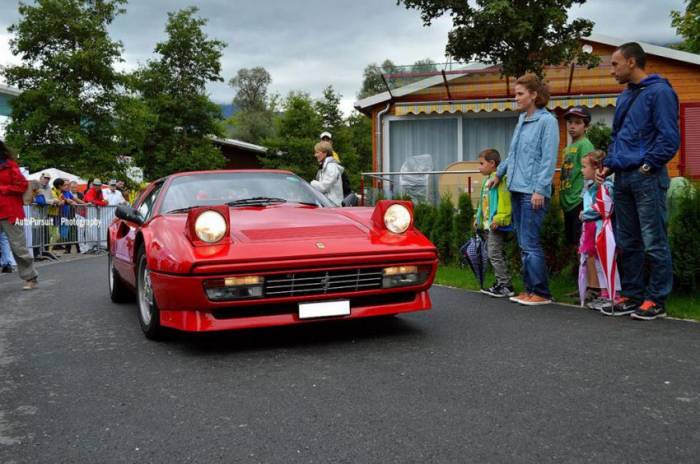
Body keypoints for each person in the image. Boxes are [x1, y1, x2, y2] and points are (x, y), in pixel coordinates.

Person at [595, 42, 680, 320]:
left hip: (647, 178)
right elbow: (618, 138)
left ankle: (656, 300)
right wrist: (608, 166)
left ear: (632, 62)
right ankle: (632, 295)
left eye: (615, 64)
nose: (612, 70)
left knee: (653, 240)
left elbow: (669, 137)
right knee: (627, 240)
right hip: (622, 178)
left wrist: (647, 166)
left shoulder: (660, 92)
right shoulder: (625, 96)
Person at [489, 73, 559, 306]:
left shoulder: (547, 121)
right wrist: (498, 175)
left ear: (533, 95)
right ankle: (529, 290)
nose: (515, 98)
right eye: (515, 94)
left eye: (520, 94)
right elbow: (512, 154)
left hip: (533, 192)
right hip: (517, 189)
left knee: (530, 243)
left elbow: (548, 159)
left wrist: (540, 189)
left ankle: (541, 293)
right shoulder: (521, 120)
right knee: (523, 243)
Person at [578, 150, 621, 310]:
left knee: (608, 262)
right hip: (592, 230)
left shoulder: (607, 185)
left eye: (584, 167)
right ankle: (604, 294)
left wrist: (585, 215)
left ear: (597, 168)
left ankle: (614, 294)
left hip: (604, 230)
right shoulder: (590, 186)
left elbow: (604, 208)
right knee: (597, 263)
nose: (582, 170)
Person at [474, 148, 514, 298]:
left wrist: (499, 218)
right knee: (494, 253)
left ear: (492, 163)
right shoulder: (487, 180)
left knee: (494, 253)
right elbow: (483, 203)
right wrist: (477, 218)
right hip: (487, 225)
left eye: (481, 163)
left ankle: (506, 285)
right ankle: (500, 282)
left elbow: (505, 201)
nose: (479, 167)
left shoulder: (500, 180)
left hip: (495, 224)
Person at [0, 140, 38, 289]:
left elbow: (22, 185)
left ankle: (31, 278)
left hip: (10, 211)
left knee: (18, 247)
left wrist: (3, 188)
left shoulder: (9, 165)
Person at [560, 107, 595, 247]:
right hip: (567, 201)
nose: (572, 126)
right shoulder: (568, 147)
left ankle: (584, 270)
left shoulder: (585, 145)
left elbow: (590, 173)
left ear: (586, 126)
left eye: (577, 122)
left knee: (581, 244)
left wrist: (583, 198)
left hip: (578, 201)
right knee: (573, 243)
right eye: (570, 122)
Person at [310, 141, 344, 206]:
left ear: (325, 153)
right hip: (328, 205)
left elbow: (323, 187)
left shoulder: (331, 167)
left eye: (317, 152)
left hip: (332, 206)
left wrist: (311, 183)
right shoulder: (325, 167)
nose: (315, 155)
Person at [320, 131, 352, 199]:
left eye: (327, 140)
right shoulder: (320, 154)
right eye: (323, 140)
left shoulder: (333, 155)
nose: (325, 141)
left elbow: (336, 172)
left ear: (331, 142)